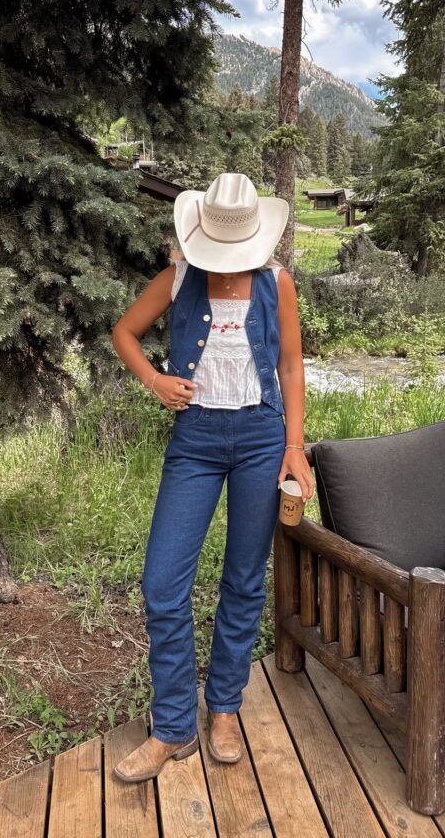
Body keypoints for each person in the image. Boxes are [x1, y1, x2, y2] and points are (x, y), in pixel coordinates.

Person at [111, 171, 315, 783]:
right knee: (162, 583)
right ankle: (174, 725)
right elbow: (124, 332)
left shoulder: (277, 281)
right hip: (195, 441)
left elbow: (291, 364)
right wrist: (155, 380)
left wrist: (295, 448)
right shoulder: (179, 277)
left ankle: (224, 707)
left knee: (244, 579)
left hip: (261, 439)